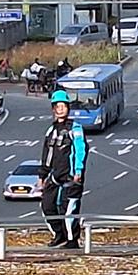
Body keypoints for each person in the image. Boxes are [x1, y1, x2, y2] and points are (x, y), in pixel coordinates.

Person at [37, 90, 88, 249]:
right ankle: (59, 235)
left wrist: (78, 170)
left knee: (69, 210)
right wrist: (43, 175)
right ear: (53, 108)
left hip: (72, 176)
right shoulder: (51, 131)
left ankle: (72, 241)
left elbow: (81, 149)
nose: (60, 109)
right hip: (54, 176)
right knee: (47, 206)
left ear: (68, 108)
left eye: (63, 106)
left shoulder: (76, 128)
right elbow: (47, 154)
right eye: (57, 106)